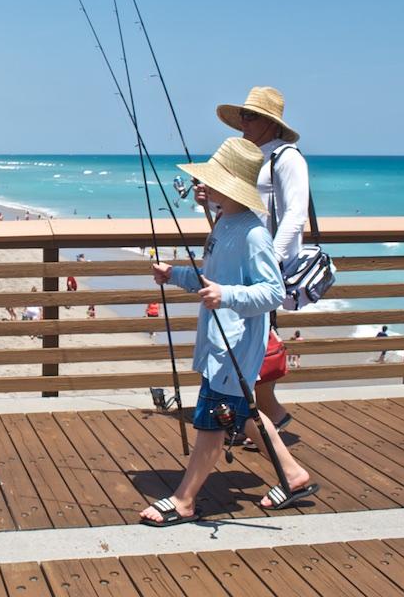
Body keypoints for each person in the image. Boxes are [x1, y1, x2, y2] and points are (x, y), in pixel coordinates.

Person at [139, 137, 316, 527]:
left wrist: (227, 294)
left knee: (211, 420)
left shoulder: (253, 234)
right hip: (219, 340)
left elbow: (272, 292)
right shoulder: (224, 222)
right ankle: (292, 475)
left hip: (234, 345)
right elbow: (213, 278)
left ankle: (184, 500)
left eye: (212, 180)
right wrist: (175, 276)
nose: (204, 186)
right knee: (241, 411)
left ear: (230, 183)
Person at [203, 85, 307, 433]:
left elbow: (296, 214)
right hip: (244, 265)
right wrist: (212, 199)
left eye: (249, 116)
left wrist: (272, 261)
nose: (242, 123)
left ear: (269, 122)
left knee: (254, 346)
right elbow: (238, 209)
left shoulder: (286, 157)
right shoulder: (252, 157)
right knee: (249, 345)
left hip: (264, 267)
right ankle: (260, 420)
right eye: (242, 116)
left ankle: (263, 419)